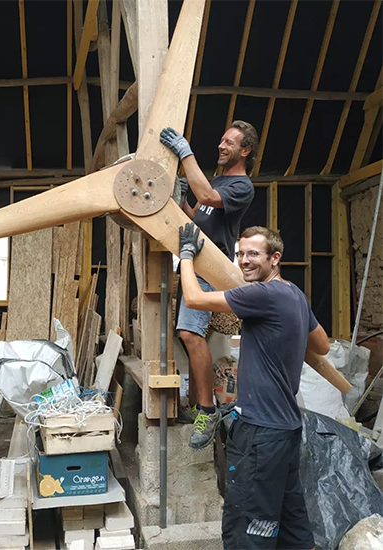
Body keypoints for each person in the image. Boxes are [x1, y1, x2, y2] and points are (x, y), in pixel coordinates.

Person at [178, 223, 326, 549]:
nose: (244, 261)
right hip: (287, 428)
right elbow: (323, 345)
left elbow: (194, 298)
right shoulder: (294, 295)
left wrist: (186, 255)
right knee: (291, 525)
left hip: (259, 432)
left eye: (254, 254)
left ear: (275, 258)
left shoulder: (262, 294)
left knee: (248, 527)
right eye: (240, 253)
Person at [160, 121, 258, 448]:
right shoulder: (217, 179)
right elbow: (195, 213)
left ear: (245, 151)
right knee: (186, 334)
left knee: (190, 333)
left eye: (229, 142)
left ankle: (207, 410)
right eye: (221, 139)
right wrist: (180, 194)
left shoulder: (241, 186)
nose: (221, 145)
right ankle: (198, 405)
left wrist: (185, 153)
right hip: (192, 263)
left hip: (208, 270)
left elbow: (208, 196)